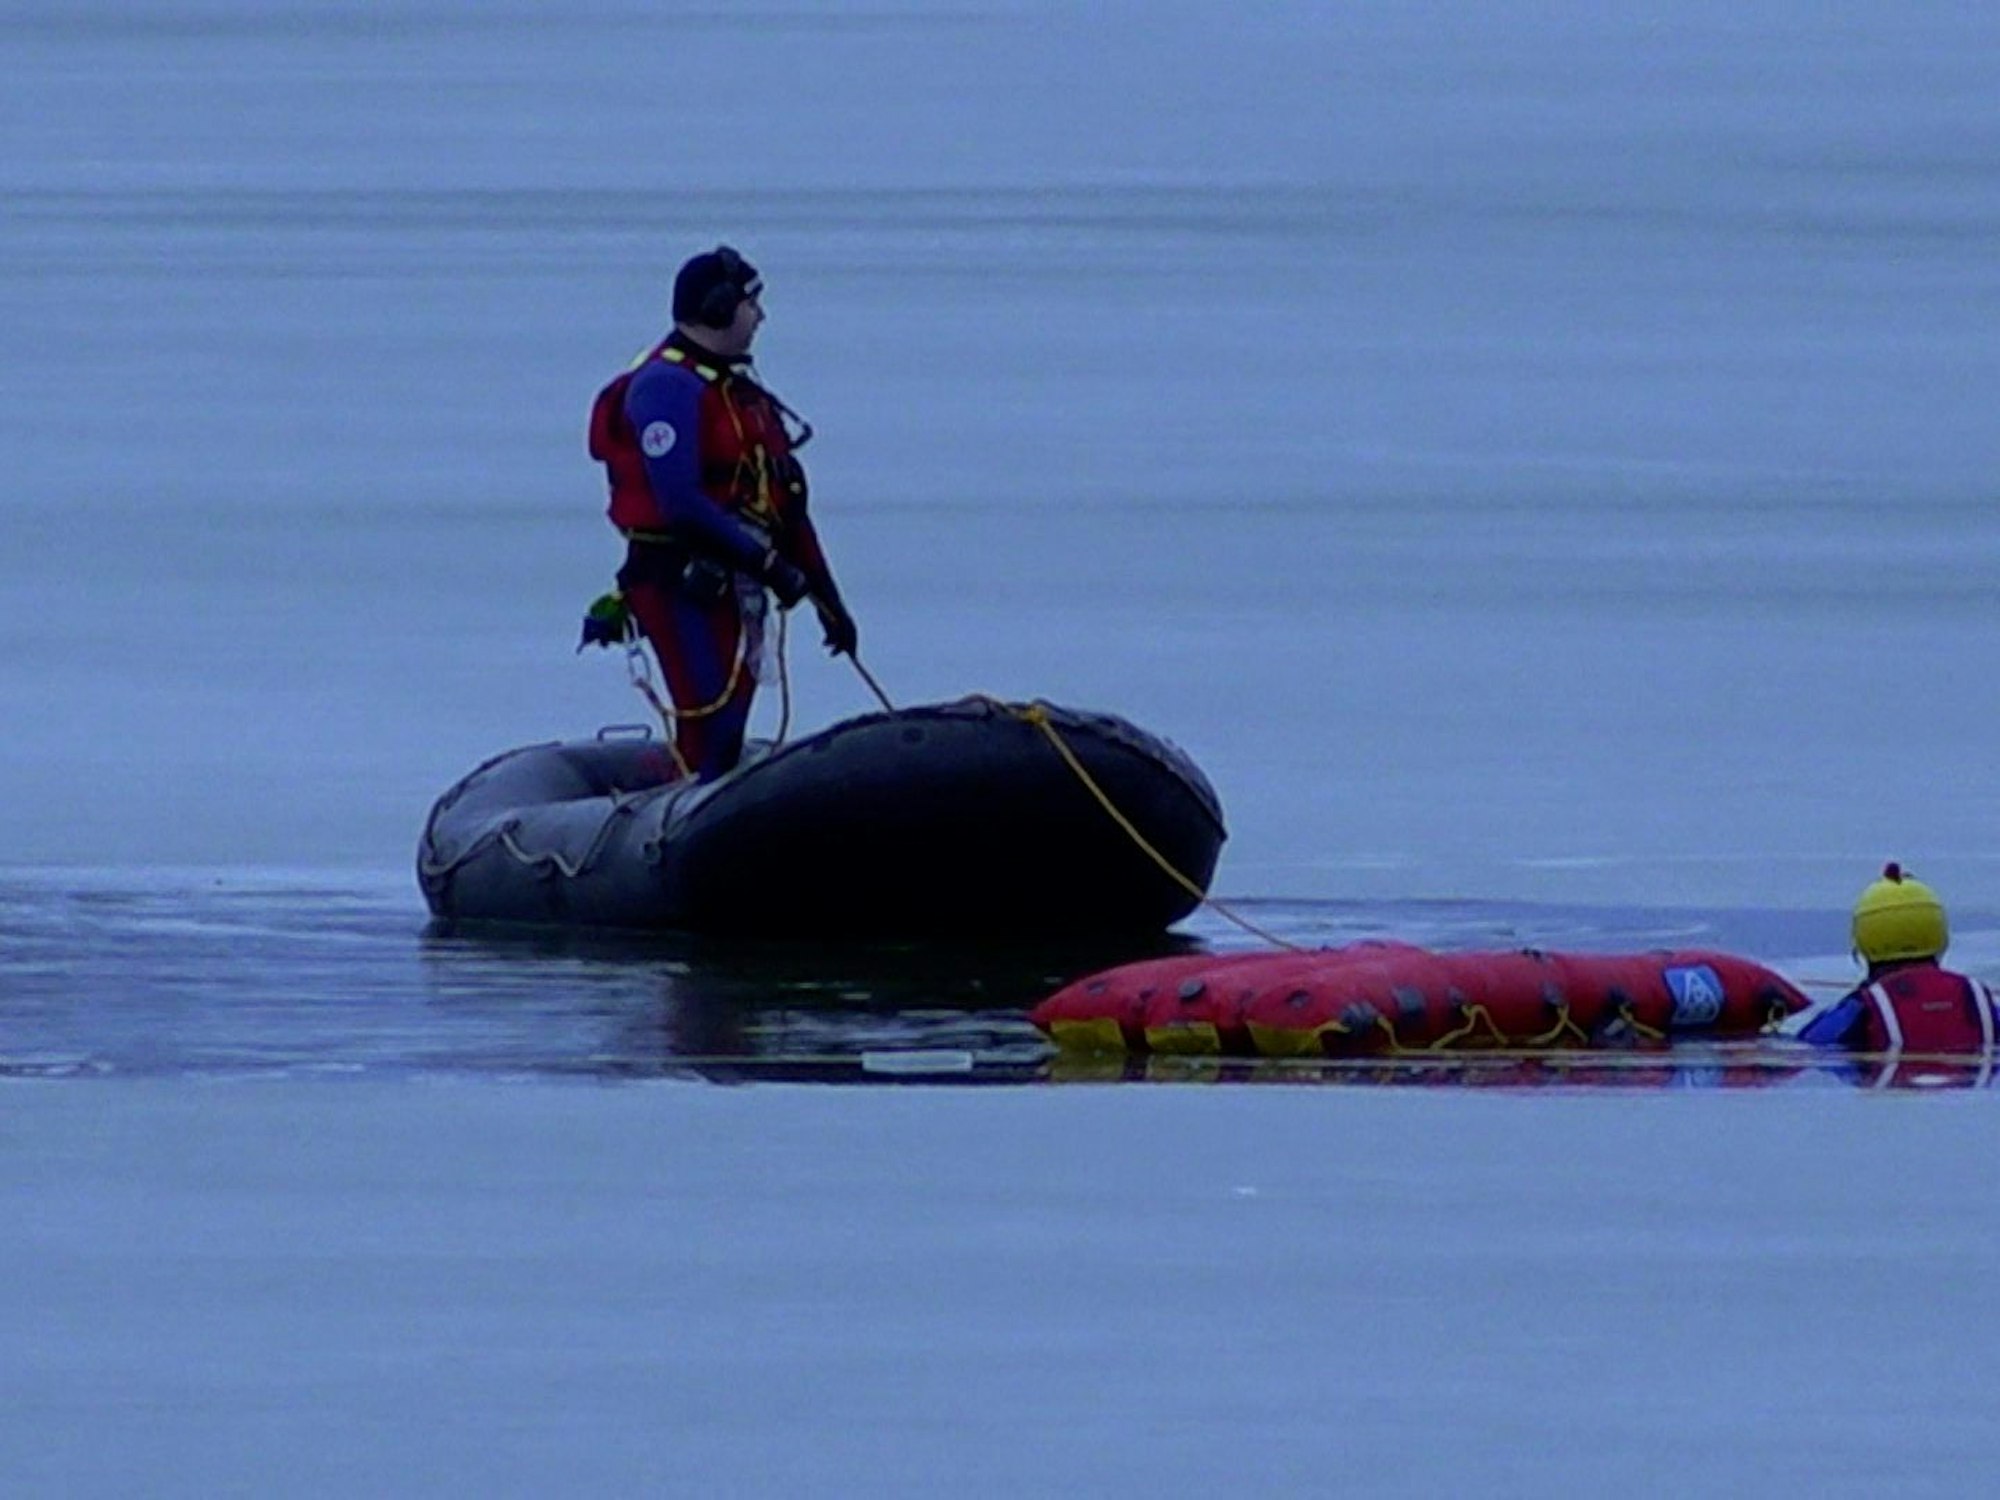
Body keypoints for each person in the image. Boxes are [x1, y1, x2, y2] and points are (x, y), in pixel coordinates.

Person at [587, 245, 857, 778]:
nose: (760, 318)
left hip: (739, 584)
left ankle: (700, 805)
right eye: (752, 304)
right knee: (710, 722)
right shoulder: (666, 387)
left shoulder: (740, 393)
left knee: (729, 723)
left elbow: (788, 508)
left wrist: (831, 603)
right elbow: (680, 502)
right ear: (717, 307)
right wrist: (772, 568)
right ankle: (671, 830)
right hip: (678, 581)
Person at [1796, 863, 1997, 1055]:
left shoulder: (1862, 1008)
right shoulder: (1978, 1000)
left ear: (1862, 938)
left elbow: (1811, 1042)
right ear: (1940, 933)